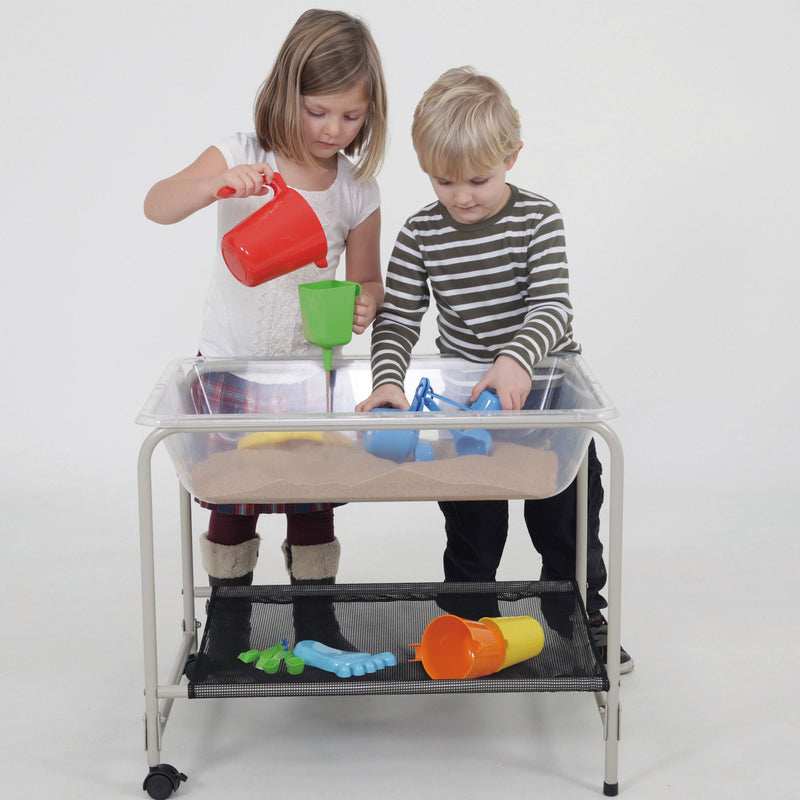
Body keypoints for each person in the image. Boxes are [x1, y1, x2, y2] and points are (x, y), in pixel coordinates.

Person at [356, 66, 632, 673]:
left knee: (563, 514)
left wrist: (515, 359)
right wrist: (388, 381)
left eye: (478, 179)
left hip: (546, 393)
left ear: (512, 155)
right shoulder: (420, 233)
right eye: (443, 180)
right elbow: (399, 318)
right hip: (465, 401)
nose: (461, 196)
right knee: (472, 522)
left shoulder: (538, 219)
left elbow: (553, 306)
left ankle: (579, 610)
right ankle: (467, 618)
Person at [144, 9, 387, 649]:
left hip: (310, 370)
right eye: (319, 111)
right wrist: (213, 183)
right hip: (230, 364)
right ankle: (229, 616)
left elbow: (367, 278)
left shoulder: (358, 189)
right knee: (233, 497)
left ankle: (315, 615)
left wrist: (365, 302)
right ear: (287, 94)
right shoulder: (244, 154)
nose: (334, 129)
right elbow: (156, 203)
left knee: (313, 498)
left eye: (352, 116)